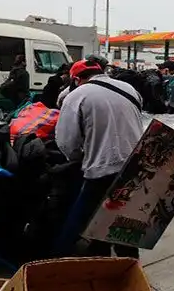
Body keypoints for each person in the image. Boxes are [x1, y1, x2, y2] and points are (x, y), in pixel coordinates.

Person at [54, 58, 144, 258]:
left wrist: (79, 158)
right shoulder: (128, 88)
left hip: (102, 169)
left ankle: (64, 259)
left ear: (76, 79)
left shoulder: (77, 96)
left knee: (83, 219)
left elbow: (66, 142)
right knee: (125, 221)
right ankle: (128, 267)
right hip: (136, 166)